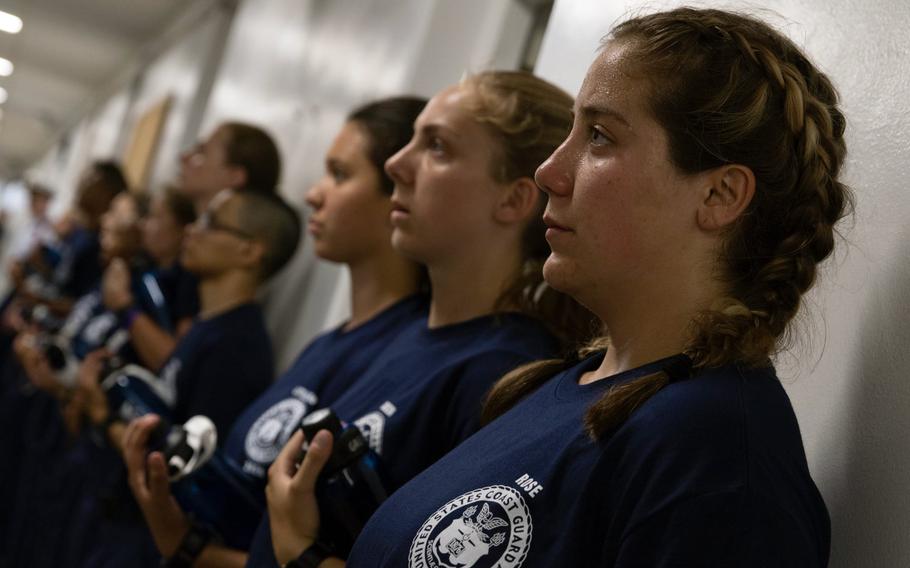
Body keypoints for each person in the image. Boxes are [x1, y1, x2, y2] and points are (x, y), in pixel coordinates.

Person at [269, 8, 850, 567]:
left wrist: (303, 556)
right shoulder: (555, 386)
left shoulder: (719, 463)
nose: (550, 171)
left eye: (599, 136)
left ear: (719, 195)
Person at [254, 71, 595, 566]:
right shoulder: (410, 334)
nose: (395, 164)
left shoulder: (502, 372)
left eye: (436, 147)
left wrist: (298, 553)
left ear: (514, 200)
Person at [117, 96, 429, 567]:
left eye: (340, 175)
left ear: (401, 191)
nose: (313, 193)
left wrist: (189, 548)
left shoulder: (402, 356)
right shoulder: (326, 344)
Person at [73, 189, 301, 567]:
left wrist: (103, 416)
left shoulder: (236, 347)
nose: (192, 230)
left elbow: (185, 473)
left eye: (211, 223)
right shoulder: (206, 328)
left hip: (146, 542)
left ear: (249, 251)